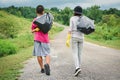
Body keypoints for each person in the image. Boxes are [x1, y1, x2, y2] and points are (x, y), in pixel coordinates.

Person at [31, 5, 51, 76]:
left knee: (38, 54)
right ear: (43, 11)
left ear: (36, 11)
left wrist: (36, 29)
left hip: (37, 39)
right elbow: (49, 26)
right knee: (47, 53)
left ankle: (42, 68)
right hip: (45, 39)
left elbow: (32, 30)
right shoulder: (46, 19)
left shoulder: (35, 20)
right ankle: (47, 65)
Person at [68, 6, 84, 76]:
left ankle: (77, 68)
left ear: (74, 12)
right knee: (79, 53)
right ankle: (79, 67)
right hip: (82, 37)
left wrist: (68, 39)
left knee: (75, 53)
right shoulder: (82, 19)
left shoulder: (72, 18)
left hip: (74, 37)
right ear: (81, 13)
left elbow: (70, 29)